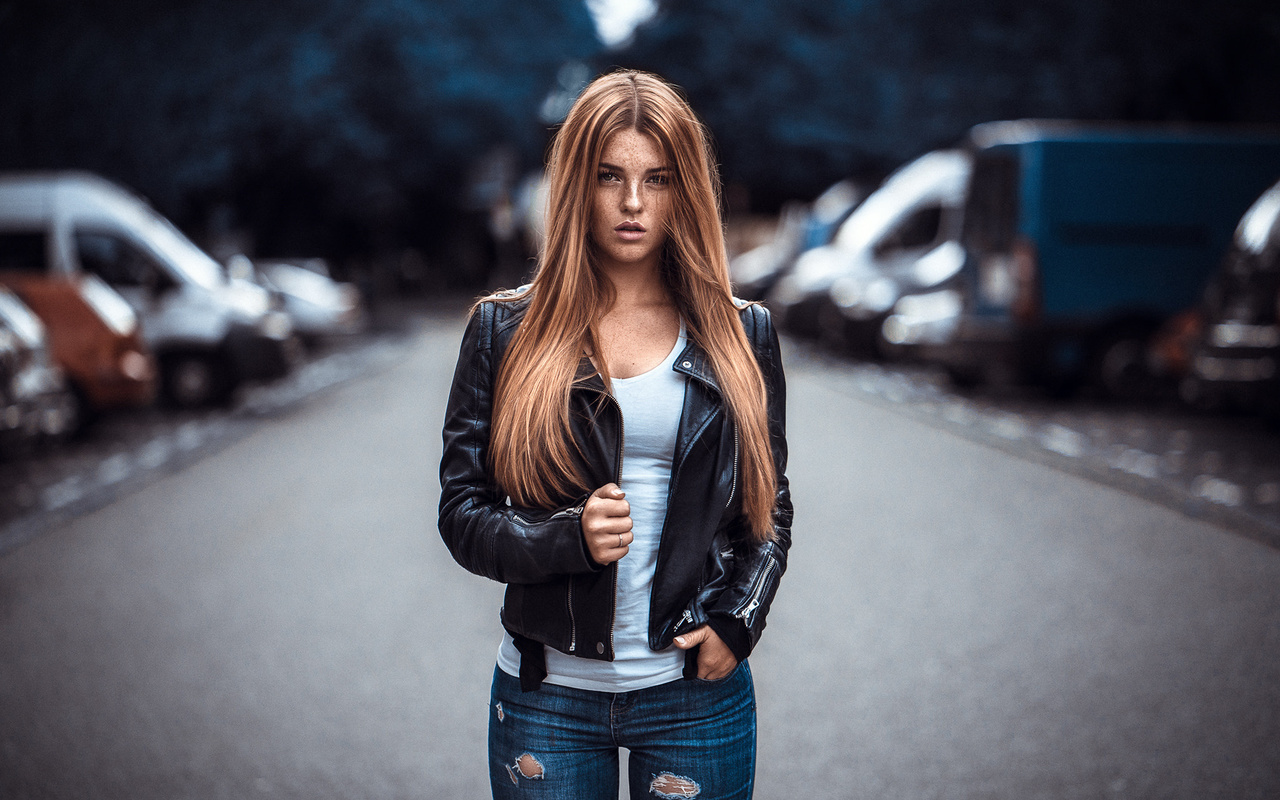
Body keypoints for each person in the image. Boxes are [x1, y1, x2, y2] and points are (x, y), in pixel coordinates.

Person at [439, 69, 792, 800]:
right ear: (576, 186)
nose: (632, 203)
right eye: (609, 177)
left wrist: (738, 619)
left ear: (685, 190)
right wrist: (565, 538)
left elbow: (769, 510)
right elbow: (462, 513)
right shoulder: (503, 331)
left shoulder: (742, 334)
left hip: (693, 694)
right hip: (546, 701)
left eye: (657, 179)